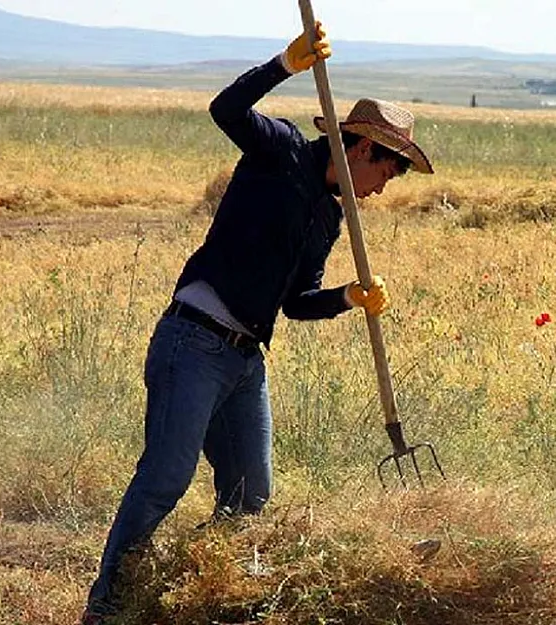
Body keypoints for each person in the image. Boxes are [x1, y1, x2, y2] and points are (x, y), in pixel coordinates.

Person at [81, 22, 434, 623]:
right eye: (385, 174)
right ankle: (108, 605)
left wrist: (347, 296)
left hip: (245, 360)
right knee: (165, 478)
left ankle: (197, 594)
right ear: (362, 150)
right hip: (193, 339)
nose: (381, 189)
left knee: (250, 498)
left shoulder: (328, 217)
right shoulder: (282, 151)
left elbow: (296, 302)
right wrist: (283, 65)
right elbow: (225, 108)